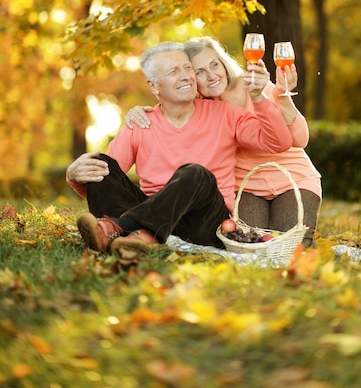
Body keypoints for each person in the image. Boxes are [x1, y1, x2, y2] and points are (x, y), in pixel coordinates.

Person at [67, 41, 293, 254]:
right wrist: (73, 176)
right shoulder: (141, 123)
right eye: (174, 71)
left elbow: (278, 142)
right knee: (102, 163)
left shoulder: (225, 114)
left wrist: (259, 99)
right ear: (154, 86)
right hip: (154, 211)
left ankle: (116, 228)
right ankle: (141, 235)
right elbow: (107, 179)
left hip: (203, 223)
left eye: (187, 68)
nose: (186, 76)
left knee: (195, 173)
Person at [125, 37, 322, 247]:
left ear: (223, 62)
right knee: (249, 245)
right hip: (245, 187)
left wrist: (282, 96)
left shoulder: (255, 87)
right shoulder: (198, 107)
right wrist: (140, 112)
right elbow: (170, 113)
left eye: (214, 64)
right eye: (199, 71)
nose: (211, 76)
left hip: (294, 177)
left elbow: (300, 139)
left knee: (293, 245)